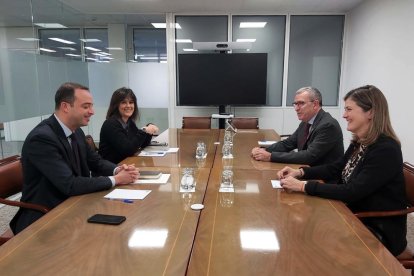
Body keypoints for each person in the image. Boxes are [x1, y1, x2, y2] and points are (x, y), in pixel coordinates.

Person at [278, 85, 410, 258]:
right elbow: (335, 167)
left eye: (349, 109)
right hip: (351, 213)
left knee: (310, 242)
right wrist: (300, 173)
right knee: (300, 227)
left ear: (370, 112)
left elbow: (352, 192)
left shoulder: (385, 149)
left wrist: (303, 186)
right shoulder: (360, 142)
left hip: (376, 227)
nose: (344, 115)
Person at [10, 82, 139, 234]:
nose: (92, 112)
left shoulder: (76, 132)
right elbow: (69, 184)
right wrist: (116, 180)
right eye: (86, 106)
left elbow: (96, 162)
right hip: (47, 215)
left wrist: (117, 170)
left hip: (77, 202)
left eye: (91, 106)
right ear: (65, 107)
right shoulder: (41, 139)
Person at [251, 87, 343, 166]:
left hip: (324, 180)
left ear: (315, 104)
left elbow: (309, 156)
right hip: (306, 171)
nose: (296, 109)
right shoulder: (306, 122)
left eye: (301, 103)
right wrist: (263, 150)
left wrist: (270, 156)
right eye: (295, 104)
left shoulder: (328, 125)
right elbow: (289, 143)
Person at [99, 87, 159, 164]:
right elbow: (128, 150)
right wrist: (144, 130)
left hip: (125, 165)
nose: (128, 106)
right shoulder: (111, 124)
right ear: (116, 105)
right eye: (124, 102)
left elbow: (141, 144)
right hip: (112, 170)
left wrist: (149, 129)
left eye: (131, 102)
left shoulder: (129, 122)